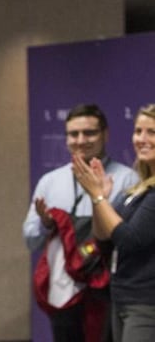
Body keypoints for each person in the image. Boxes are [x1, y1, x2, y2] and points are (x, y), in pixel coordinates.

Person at [23, 103, 138, 342]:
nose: (81, 140)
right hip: (64, 289)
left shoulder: (127, 178)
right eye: (73, 134)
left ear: (105, 134)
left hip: (108, 289)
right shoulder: (51, 182)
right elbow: (30, 238)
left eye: (89, 133)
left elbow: (133, 239)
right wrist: (47, 224)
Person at [72, 104, 155, 342]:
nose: (142, 139)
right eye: (138, 131)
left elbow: (129, 240)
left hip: (147, 305)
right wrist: (100, 199)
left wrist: (98, 197)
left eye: (152, 132)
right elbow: (103, 237)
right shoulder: (137, 190)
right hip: (122, 299)